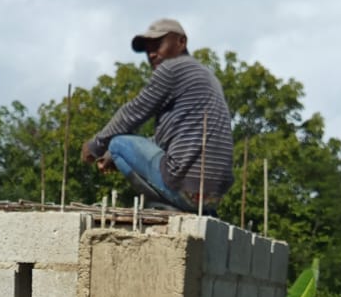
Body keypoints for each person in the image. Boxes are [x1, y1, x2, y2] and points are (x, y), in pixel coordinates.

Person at [81, 18, 234, 212]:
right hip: (212, 197)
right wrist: (111, 156)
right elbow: (165, 141)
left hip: (184, 188)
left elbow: (132, 113)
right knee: (120, 149)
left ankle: (165, 205)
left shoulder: (173, 68)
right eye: (148, 50)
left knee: (117, 143)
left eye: (157, 46)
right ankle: (191, 208)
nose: (152, 54)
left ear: (181, 42)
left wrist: (95, 145)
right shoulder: (207, 76)